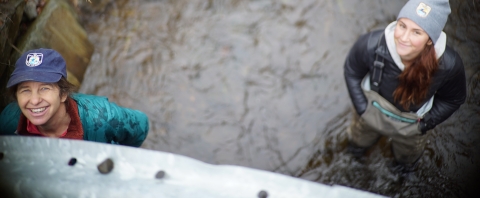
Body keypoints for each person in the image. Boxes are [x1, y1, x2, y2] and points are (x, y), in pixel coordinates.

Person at [344, 0, 466, 170]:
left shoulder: (449, 65)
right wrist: (362, 108)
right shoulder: (371, 44)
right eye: (402, 26)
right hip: (369, 113)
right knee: (355, 150)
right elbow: (351, 71)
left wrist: (424, 125)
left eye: (416, 32)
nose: (403, 37)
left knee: (404, 167)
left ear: (430, 40)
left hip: (412, 127)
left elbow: (453, 99)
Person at [0, 48, 149, 147]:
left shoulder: (103, 118)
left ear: (63, 93)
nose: (34, 100)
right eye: (25, 90)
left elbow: (141, 126)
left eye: (44, 88)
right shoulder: (8, 121)